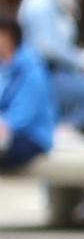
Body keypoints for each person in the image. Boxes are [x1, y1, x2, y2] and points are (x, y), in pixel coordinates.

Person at [0, 13, 51, 176]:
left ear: (9, 37)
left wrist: (5, 126)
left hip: (30, 137)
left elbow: (23, 115)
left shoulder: (32, 68)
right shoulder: (3, 66)